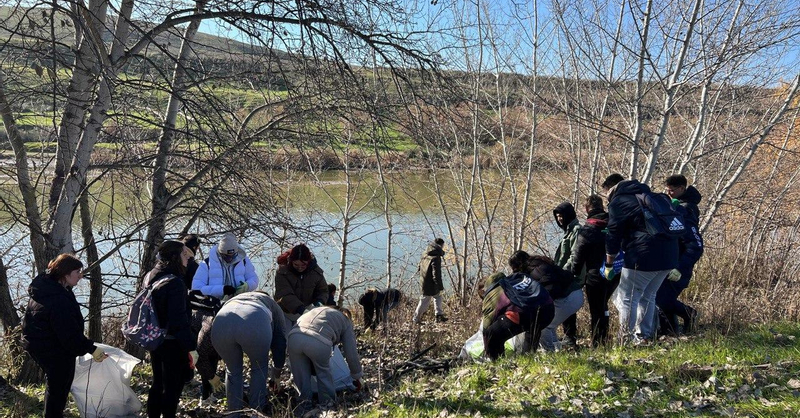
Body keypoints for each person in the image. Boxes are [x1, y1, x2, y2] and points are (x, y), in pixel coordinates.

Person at [21, 254, 107, 418]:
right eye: (77, 272)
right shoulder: (58, 298)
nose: (80, 276)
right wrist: (92, 349)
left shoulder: (47, 288)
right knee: (58, 388)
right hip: (53, 349)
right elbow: (69, 335)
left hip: (39, 345)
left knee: (55, 386)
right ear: (65, 274)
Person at [602, 173, 678, 344]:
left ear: (611, 189)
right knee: (648, 295)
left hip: (643, 256)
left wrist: (609, 263)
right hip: (669, 256)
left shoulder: (619, 202)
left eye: (605, 193)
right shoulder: (650, 196)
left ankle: (625, 340)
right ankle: (644, 335)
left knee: (629, 297)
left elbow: (613, 234)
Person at [210, 291, 287, 417]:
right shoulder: (272, 304)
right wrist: (276, 373)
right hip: (253, 321)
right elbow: (280, 341)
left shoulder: (234, 298)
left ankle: (233, 413)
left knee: (232, 370)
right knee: (259, 368)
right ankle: (255, 411)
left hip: (221, 322)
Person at [144, 240, 198, 418]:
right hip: (172, 343)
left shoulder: (152, 275)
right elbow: (178, 321)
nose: (187, 259)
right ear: (174, 257)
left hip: (155, 339)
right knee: (172, 388)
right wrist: (191, 346)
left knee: (158, 383)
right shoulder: (175, 283)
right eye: (184, 255)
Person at [287, 307, 362, 412]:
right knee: (323, 374)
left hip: (293, 337)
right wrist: (356, 375)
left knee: (301, 378)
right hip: (317, 339)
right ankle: (327, 407)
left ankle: (302, 409)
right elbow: (351, 352)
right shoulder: (345, 321)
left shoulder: (315, 310)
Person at [570, 195, 620, 347]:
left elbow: (578, 257)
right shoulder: (614, 224)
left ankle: (598, 342)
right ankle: (605, 338)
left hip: (595, 275)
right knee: (603, 305)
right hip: (614, 272)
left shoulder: (588, 229)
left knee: (596, 309)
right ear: (602, 207)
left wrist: (574, 273)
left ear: (587, 209)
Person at [657, 175, 704, 335]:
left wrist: (680, 267)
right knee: (661, 299)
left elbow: (695, 244)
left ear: (682, 189)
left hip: (680, 263)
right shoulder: (675, 206)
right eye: (667, 190)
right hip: (669, 261)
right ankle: (670, 332)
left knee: (663, 299)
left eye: (672, 190)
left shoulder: (686, 209)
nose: (668, 193)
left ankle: (689, 315)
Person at [480, 272, 555, 360]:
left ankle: (497, 364)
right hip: (549, 309)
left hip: (524, 314)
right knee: (533, 327)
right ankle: (528, 358)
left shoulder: (492, 294)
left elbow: (486, 329)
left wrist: (488, 351)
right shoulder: (517, 279)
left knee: (492, 334)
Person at [517, 252, 584, 351]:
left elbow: (552, 287)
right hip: (575, 294)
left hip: (570, 296)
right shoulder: (537, 264)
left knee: (543, 325)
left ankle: (549, 352)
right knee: (550, 325)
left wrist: (543, 305)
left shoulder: (536, 270)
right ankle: (556, 350)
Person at [192, 232, 258, 300]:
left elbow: (254, 279)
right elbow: (197, 288)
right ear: (220, 254)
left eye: (233, 256)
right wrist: (222, 290)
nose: (230, 259)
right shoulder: (206, 264)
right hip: (216, 304)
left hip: (240, 301)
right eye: (227, 257)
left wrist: (247, 286)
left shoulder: (244, 261)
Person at [552, 202, 582, 349]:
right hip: (563, 275)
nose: (559, 219)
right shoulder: (568, 231)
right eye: (557, 216)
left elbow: (575, 254)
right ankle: (568, 336)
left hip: (570, 276)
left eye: (561, 215)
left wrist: (564, 272)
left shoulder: (576, 230)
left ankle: (570, 338)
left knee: (568, 305)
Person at [274, 243, 329, 322]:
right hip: (285, 313)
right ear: (291, 261)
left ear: (308, 262)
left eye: (303, 265)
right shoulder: (282, 271)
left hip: (309, 312)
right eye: (296, 265)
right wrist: (301, 309)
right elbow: (284, 294)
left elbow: (323, 291)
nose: (300, 268)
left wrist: (319, 302)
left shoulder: (316, 272)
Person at [413, 238, 447, 323]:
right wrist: (439, 285)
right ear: (441, 245)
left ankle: (439, 315)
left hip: (424, 280)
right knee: (425, 300)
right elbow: (436, 273)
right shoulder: (436, 257)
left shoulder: (425, 253)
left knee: (438, 296)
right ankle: (416, 319)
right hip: (430, 283)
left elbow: (419, 267)